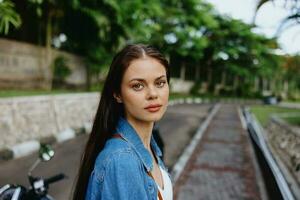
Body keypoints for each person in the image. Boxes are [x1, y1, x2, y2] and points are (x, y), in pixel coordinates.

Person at [73, 44, 173, 200]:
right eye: (138, 86)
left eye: (160, 83)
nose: (153, 94)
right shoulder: (121, 161)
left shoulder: (151, 146)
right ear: (117, 94)